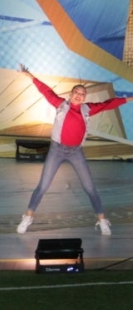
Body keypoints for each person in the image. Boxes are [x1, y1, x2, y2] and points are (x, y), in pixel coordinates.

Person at [15, 65, 129, 235]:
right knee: (43, 186)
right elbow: (45, 90)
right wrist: (29, 75)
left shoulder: (87, 109)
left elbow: (109, 104)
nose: (79, 95)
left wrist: (130, 99)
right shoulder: (61, 104)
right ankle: (28, 217)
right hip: (57, 150)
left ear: (84, 98)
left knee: (90, 188)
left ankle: (102, 220)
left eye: (82, 94)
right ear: (71, 94)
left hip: (76, 152)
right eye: (77, 92)